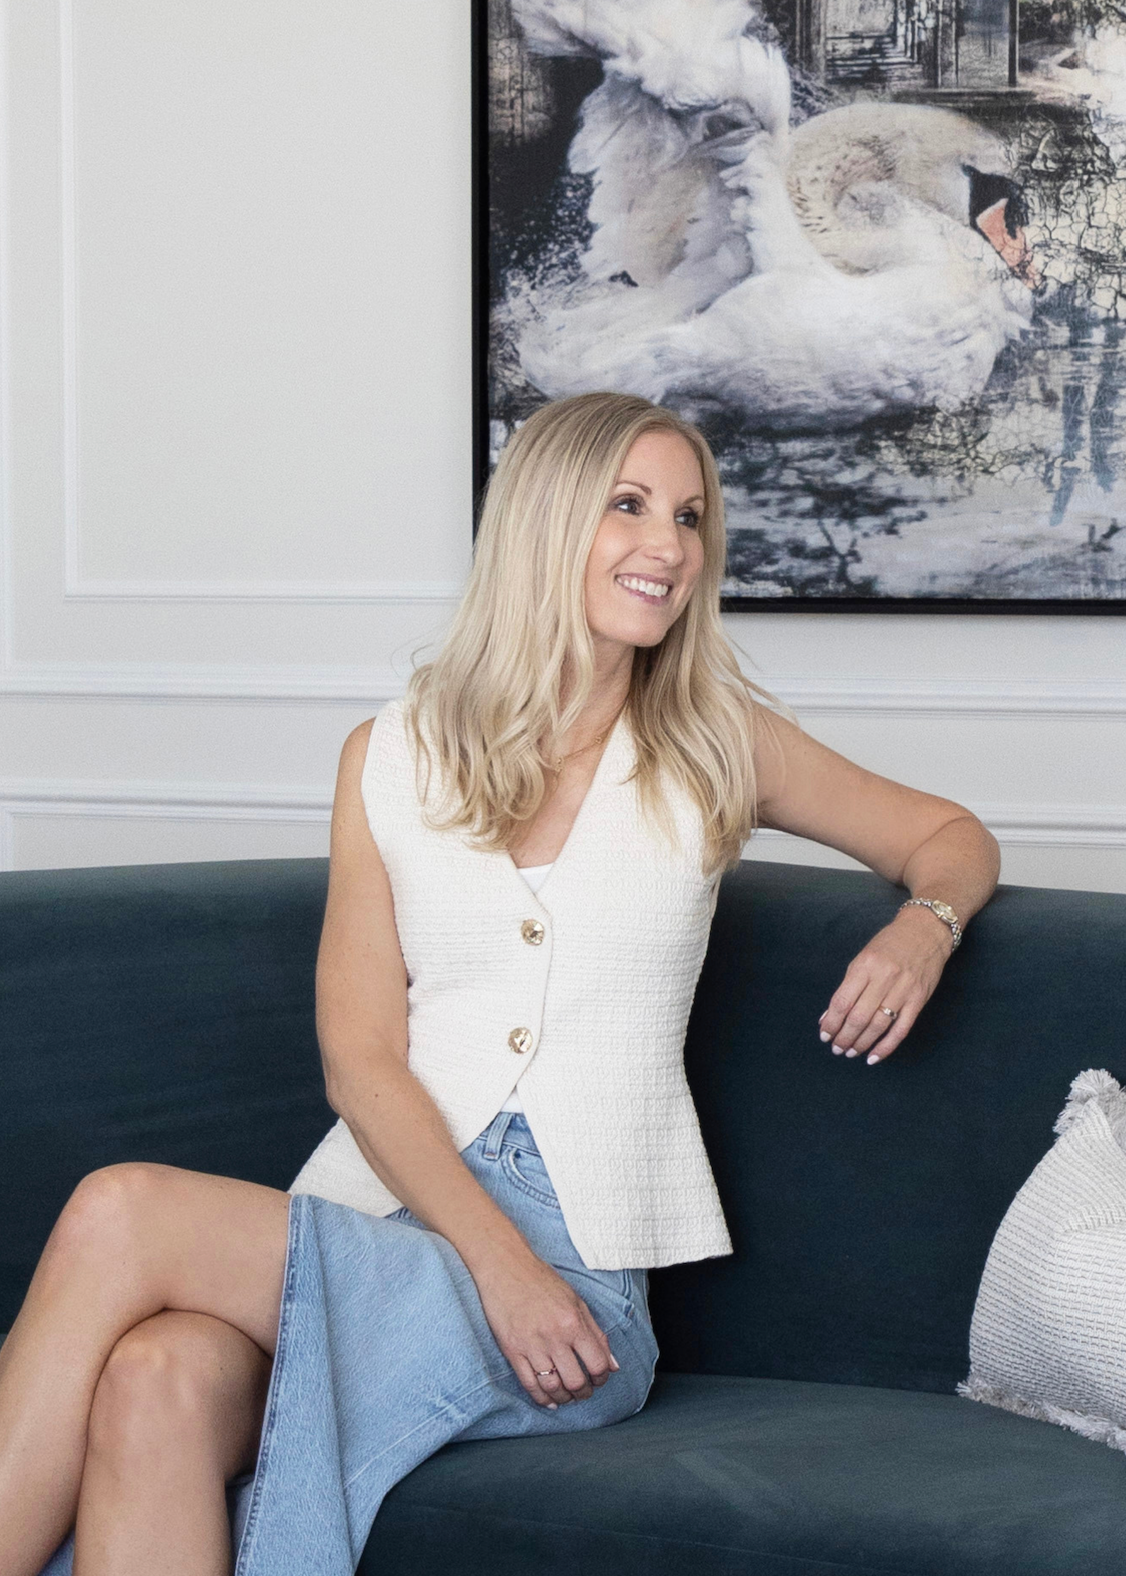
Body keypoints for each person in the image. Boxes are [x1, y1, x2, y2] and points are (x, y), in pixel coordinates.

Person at [0, 392, 1000, 1576]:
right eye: (628, 505)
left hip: (570, 1285)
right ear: (543, 521)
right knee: (153, 1375)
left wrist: (926, 926)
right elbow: (359, 1057)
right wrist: (493, 1265)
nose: (669, 544)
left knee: (121, 1209)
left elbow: (947, 835)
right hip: (385, 1220)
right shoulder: (390, 757)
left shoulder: (717, 742)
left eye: (688, 516)